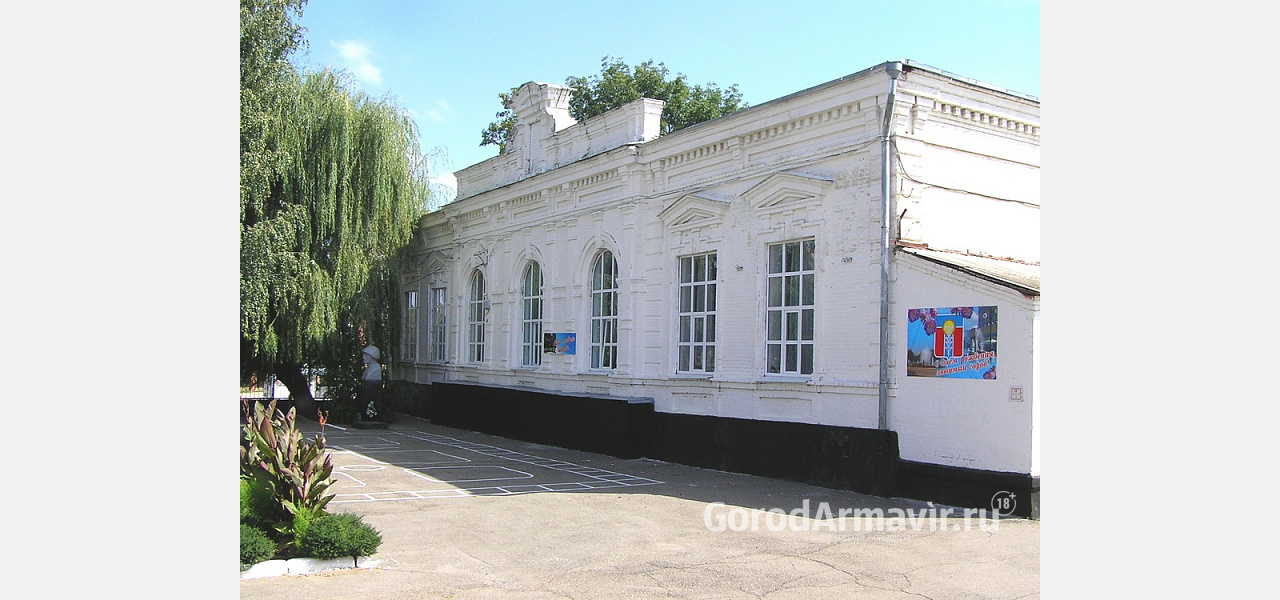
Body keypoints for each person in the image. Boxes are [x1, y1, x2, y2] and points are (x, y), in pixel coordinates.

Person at [360, 344, 383, 421]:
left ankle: (373, 415)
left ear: (372, 357)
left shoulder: (376, 369)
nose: (363, 357)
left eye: (365, 355)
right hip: (369, 385)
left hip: (372, 385)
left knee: (372, 400)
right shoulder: (368, 370)